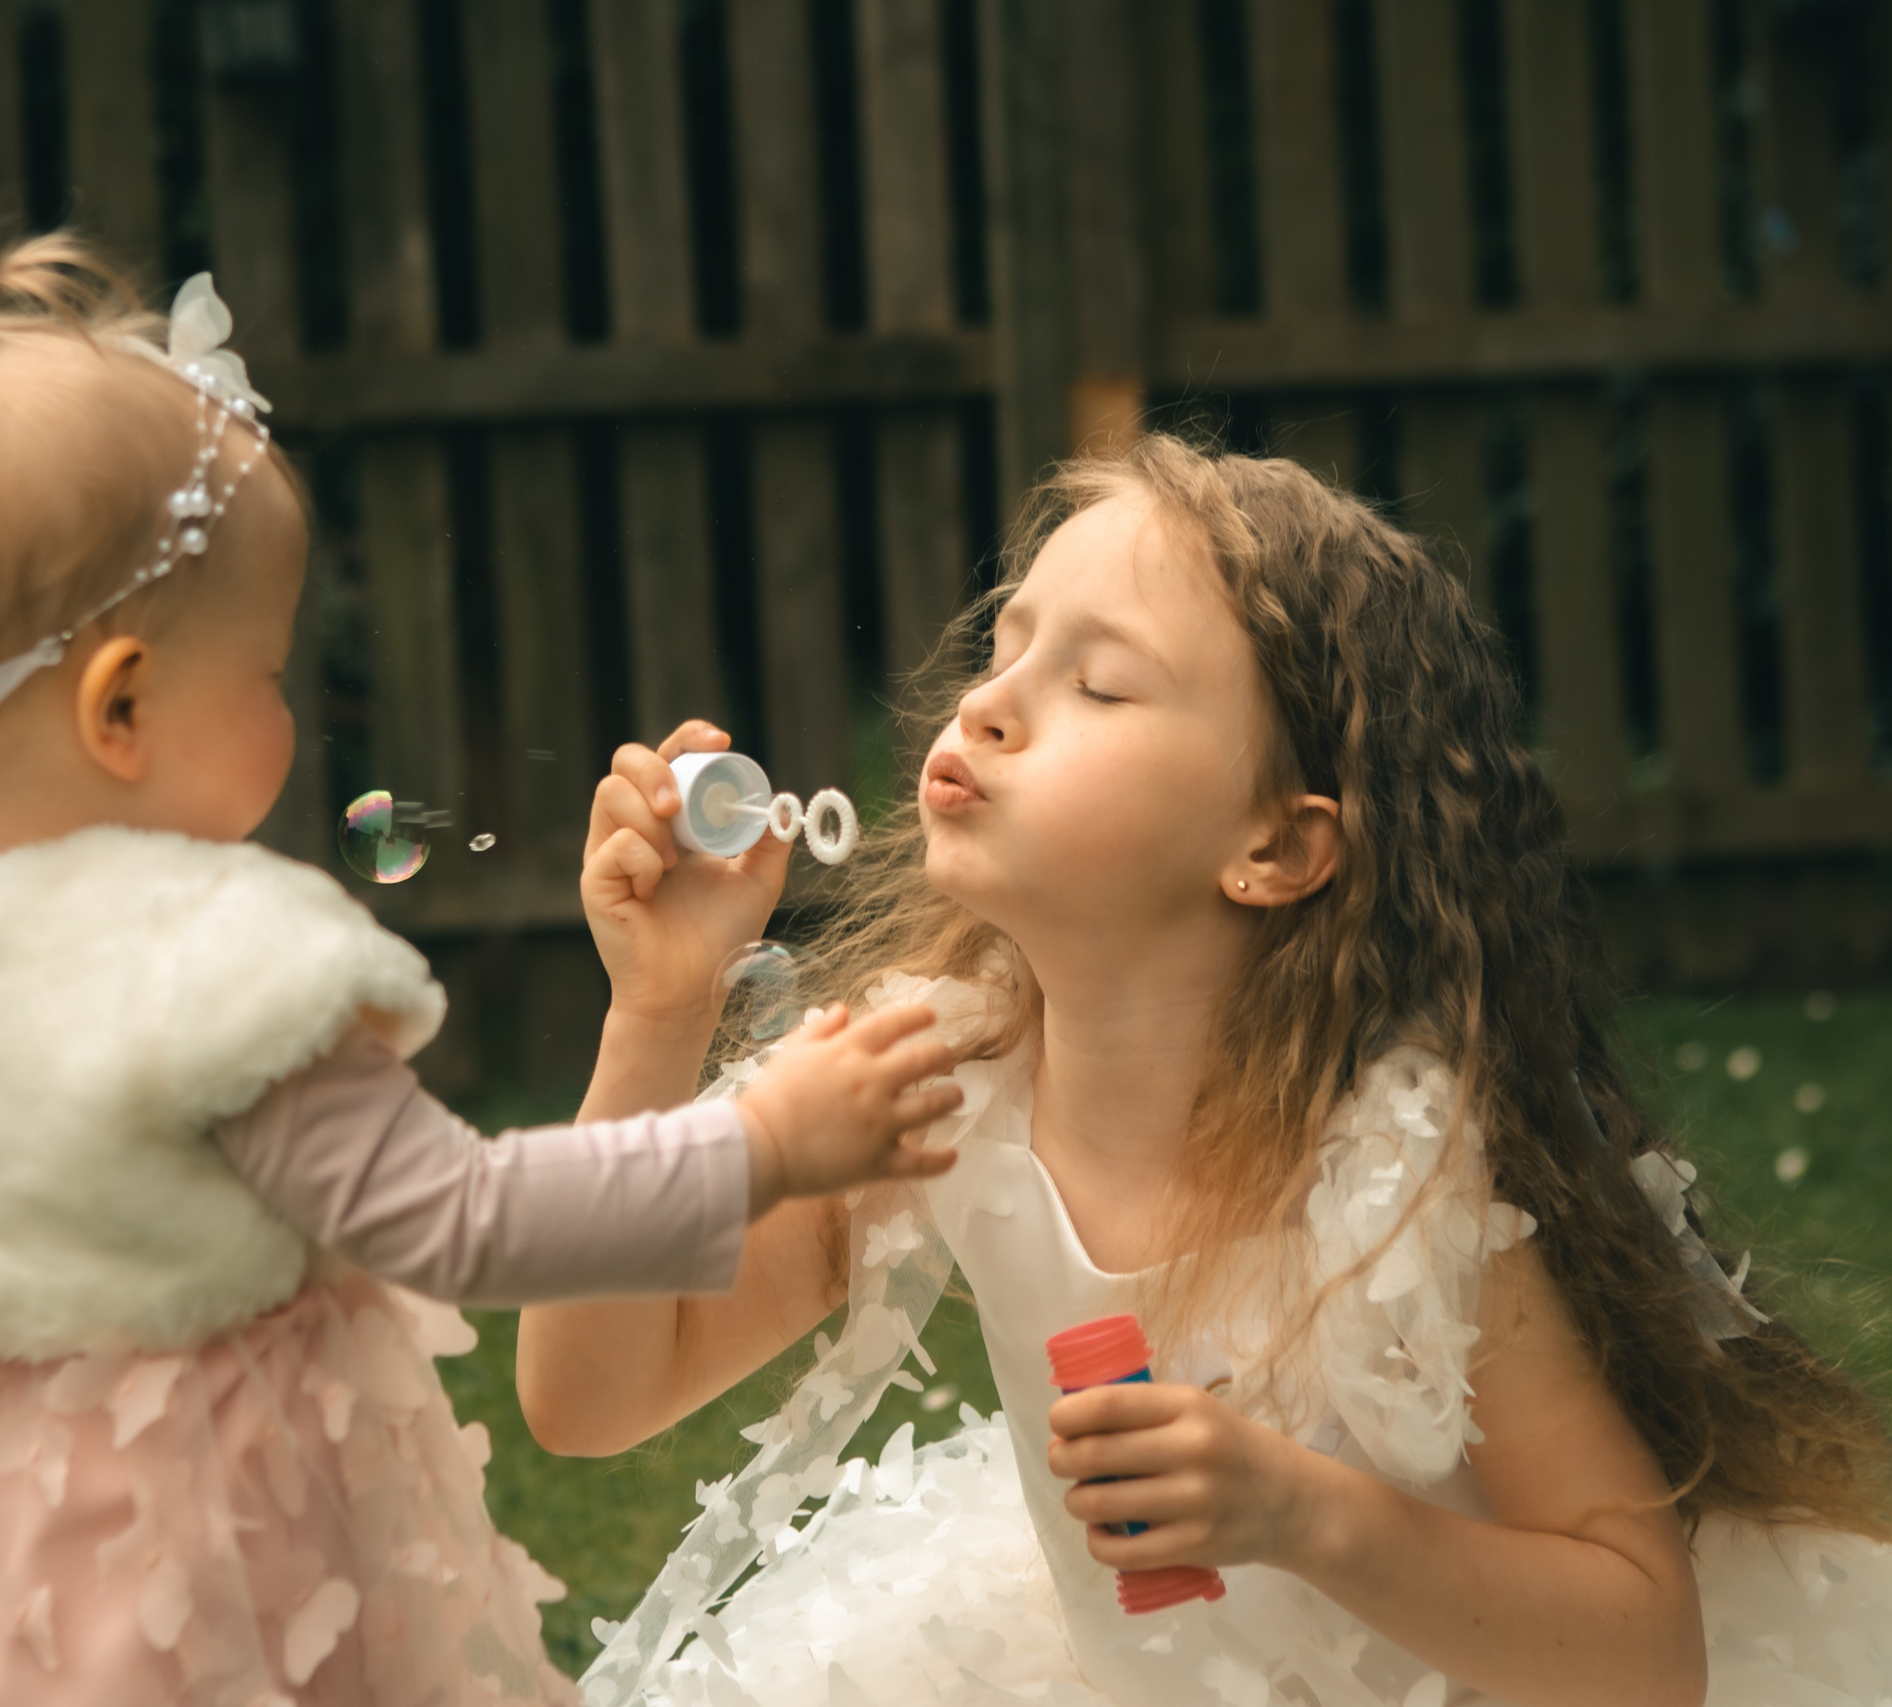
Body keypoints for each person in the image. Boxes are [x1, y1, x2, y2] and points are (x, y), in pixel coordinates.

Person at [0, 223, 964, 1707]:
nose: (288, 718)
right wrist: (762, 1142)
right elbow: (465, 1222)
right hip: (191, 1576)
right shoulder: (208, 968)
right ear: (122, 706)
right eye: (262, 675)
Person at [520, 434, 1892, 1707]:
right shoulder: (925, 1071)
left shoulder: (1399, 1169)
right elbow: (591, 1395)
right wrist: (659, 1010)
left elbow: (1645, 1652)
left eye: (1097, 682)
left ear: (1281, 849)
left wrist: (1305, 1515)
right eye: (1004, 653)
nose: (989, 707)